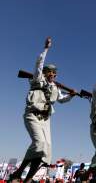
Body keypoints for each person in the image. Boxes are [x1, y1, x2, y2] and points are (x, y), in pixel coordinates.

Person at [9, 37, 76, 183]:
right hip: (32, 114)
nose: (53, 74)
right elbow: (39, 64)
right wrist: (46, 49)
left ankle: (28, 178)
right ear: (46, 72)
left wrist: (71, 96)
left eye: (55, 73)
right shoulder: (37, 79)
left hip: (46, 119)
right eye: (51, 72)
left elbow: (62, 100)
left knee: (45, 152)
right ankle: (18, 173)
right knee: (39, 143)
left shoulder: (55, 88)